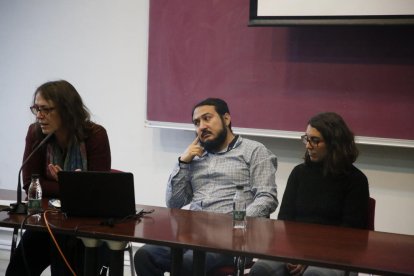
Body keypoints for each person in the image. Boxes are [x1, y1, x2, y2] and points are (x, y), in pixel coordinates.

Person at [134, 98, 278, 275]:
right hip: (192, 235)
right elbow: (174, 203)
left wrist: (233, 223)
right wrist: (183, 162)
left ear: (226, 119)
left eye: (207, 118)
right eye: (196, 122)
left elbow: (266, 197)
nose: (201, 126)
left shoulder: (254, 151)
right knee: (144, 255)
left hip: (233, 239)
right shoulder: (196, 156)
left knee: (189, 262)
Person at [6, 80, 111, 276]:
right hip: (46, 221)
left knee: (65, 261)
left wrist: (62, 184)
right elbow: (30, 183)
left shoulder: (95, 135)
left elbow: (99, 190)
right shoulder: (36, 133)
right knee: (17, 270)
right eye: (36, 109)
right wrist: (70, 185)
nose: (39, 116)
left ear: (67, 110)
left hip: (85, 225)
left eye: (45, 109)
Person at [249, 112, 370, 276]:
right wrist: (292, 254)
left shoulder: (356, 180)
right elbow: (285, 221)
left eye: (315, 140)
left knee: (315, 275)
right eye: (306, 139)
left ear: (334, 144)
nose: (308, 145)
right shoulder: (299, 173)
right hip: (294, 249)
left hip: (336, 255)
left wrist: (310, 258)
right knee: (260, 270)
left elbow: (350, 235)